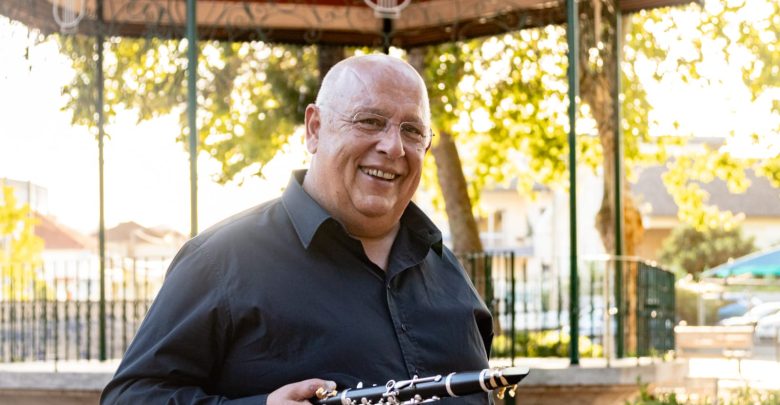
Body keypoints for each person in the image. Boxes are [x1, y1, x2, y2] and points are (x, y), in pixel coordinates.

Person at [101, 54, 493, 405]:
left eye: (412, 131)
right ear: (314, 128)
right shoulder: (221, 259)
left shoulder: (450, 275)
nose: (393, 147)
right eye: (370, 121)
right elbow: (129, 398)